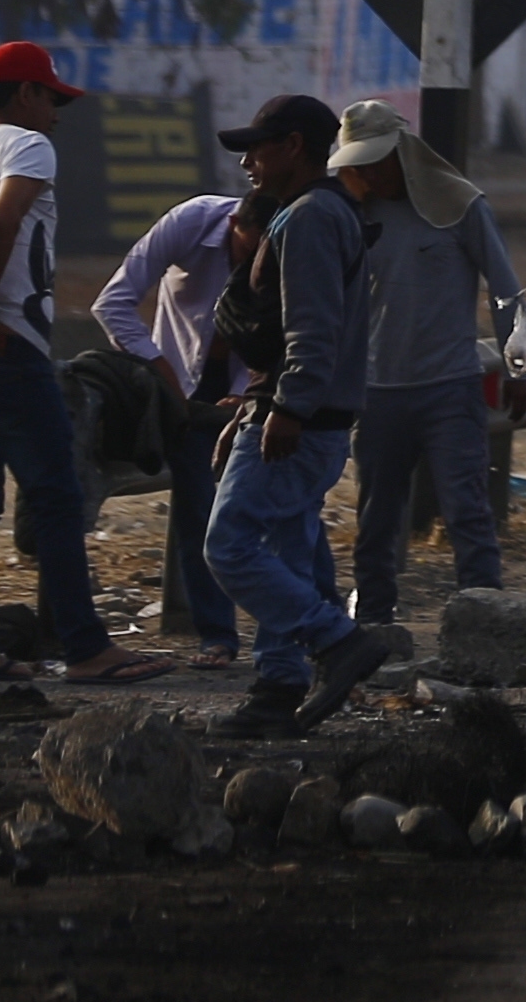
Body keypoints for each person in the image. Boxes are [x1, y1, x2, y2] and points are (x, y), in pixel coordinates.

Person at [0, 43, 154, 688]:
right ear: (23, 95)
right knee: (57, 496)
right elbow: (4, 217)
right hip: (7, 345)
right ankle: (87, 647)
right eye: (51, 98)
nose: (58, 112)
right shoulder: (26, 146)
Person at [208, 92, 403, 733]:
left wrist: (286, 407)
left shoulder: (314, 216)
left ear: (294, 146)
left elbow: (313, 330)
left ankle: (335, 641)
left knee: (229, 545)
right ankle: (277, 688)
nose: (249, 166)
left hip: (300, 418)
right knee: (286, 552)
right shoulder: (322, 211)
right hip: (299, 412)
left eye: (257, 149)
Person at [323, 99, 526, 629]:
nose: (365, 175)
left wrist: (518, 365)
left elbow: (505, 289)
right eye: (356, 165)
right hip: (375, 389)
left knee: (466, 509)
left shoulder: (460, 205)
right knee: (376, 518)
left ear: (403, 155)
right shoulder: (349, 215)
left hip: (449, 385)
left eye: (374, 163)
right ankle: (372, 623)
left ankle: (486, 620)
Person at [96, 135, 269, 668]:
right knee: (201, 507)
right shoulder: (193, 222)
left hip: (246, 395)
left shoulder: (288, 249)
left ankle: (283, 633)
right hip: (177, 396)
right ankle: (218, 634)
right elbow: (113, 303)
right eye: (250, 253)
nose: (256, 269)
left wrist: (253, 388)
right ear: (237, 226)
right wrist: (160, 368)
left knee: (268, 513)